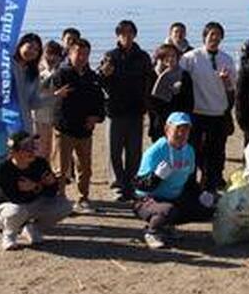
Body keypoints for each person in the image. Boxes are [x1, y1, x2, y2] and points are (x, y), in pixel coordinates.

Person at [0, 33, 45, 230]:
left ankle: (16, 217)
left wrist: (54, 97)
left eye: (35, 49)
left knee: (20, 171)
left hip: (23, 130)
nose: (31, 50)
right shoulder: (6, 66)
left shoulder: (33, 73)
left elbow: (32, 102)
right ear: (19, 46)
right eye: (28, 46)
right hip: (2, 128)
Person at [133, 112, 215, 249]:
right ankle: (152, 231)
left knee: (207, 209)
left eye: (186, 130)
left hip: (174, 197)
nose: (181, 134)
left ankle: (166, 226)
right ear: (167, 129)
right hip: (147, 200)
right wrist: (156, 177)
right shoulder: (156, 151)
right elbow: (139, 185)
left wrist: (201, 194)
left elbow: (189, 181)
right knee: (168, 210)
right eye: (177, 129)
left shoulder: (189, 151)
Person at [99, 20, 153, 202]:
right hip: (115, 111)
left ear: (135, 35)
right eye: (123, 33)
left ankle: (131, 183)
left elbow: (151, 81)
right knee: (114, 150)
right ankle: (117, 185)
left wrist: (147, 105)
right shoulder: (110, 56)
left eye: (130, 32)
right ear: (118, 35)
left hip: (136, 110)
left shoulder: (143, 56)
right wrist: (104, 74)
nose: (127, 36)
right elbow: (101, 82)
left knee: (134, 150)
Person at [0, 132, 72, 251]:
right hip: (5, 209)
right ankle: (9, 236)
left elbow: (52, 192)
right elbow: (16, 198)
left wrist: (51, 183)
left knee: (64, 206)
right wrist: (40, 187)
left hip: (33, 204)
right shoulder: (2, 169)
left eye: (33, 145)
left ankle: (32, 229)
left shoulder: (40, 163)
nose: (32, 150)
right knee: (16, 211)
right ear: (14, 152)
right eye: (27, 147)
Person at [179, 22, 235, 193]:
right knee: (193, 153)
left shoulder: (227, 59)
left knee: (216, 154)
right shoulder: (190, 57)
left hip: (218, 113)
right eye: (211, 34)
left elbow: (232, 88)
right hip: (197, 114)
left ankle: (210, 187)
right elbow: (178, 80)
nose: (215, 38)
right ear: (204, 37)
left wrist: (226, 81)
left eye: (218, 35)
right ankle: (190, 186)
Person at [52, 38, 106, 214]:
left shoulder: (92, 76)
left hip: (85, 130)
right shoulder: (62, 74)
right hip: (64, 128)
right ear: (70, 53)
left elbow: (99, 101)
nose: (82, 57)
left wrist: (96, 118)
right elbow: (54, 99)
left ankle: (83, 198)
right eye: (78, 53)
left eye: (85, 54)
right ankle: (59, 198)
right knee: (61, 168)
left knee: (85, 168)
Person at [147, 43, 195, 142]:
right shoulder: (152, 75)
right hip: (159, 122)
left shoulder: (183, 75)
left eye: (173, 56)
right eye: (166, 56)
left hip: (179, 122)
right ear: (160, 58)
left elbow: (189, 101)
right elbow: (149, 100)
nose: (170, 59)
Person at [32, 40, 63, 159]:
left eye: (55, 54)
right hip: (39, 116)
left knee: (53, 150)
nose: (51, 57)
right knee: (40, 148)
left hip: (56, 116)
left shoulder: (61, 71)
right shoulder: (36, 70)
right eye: (48, 53)